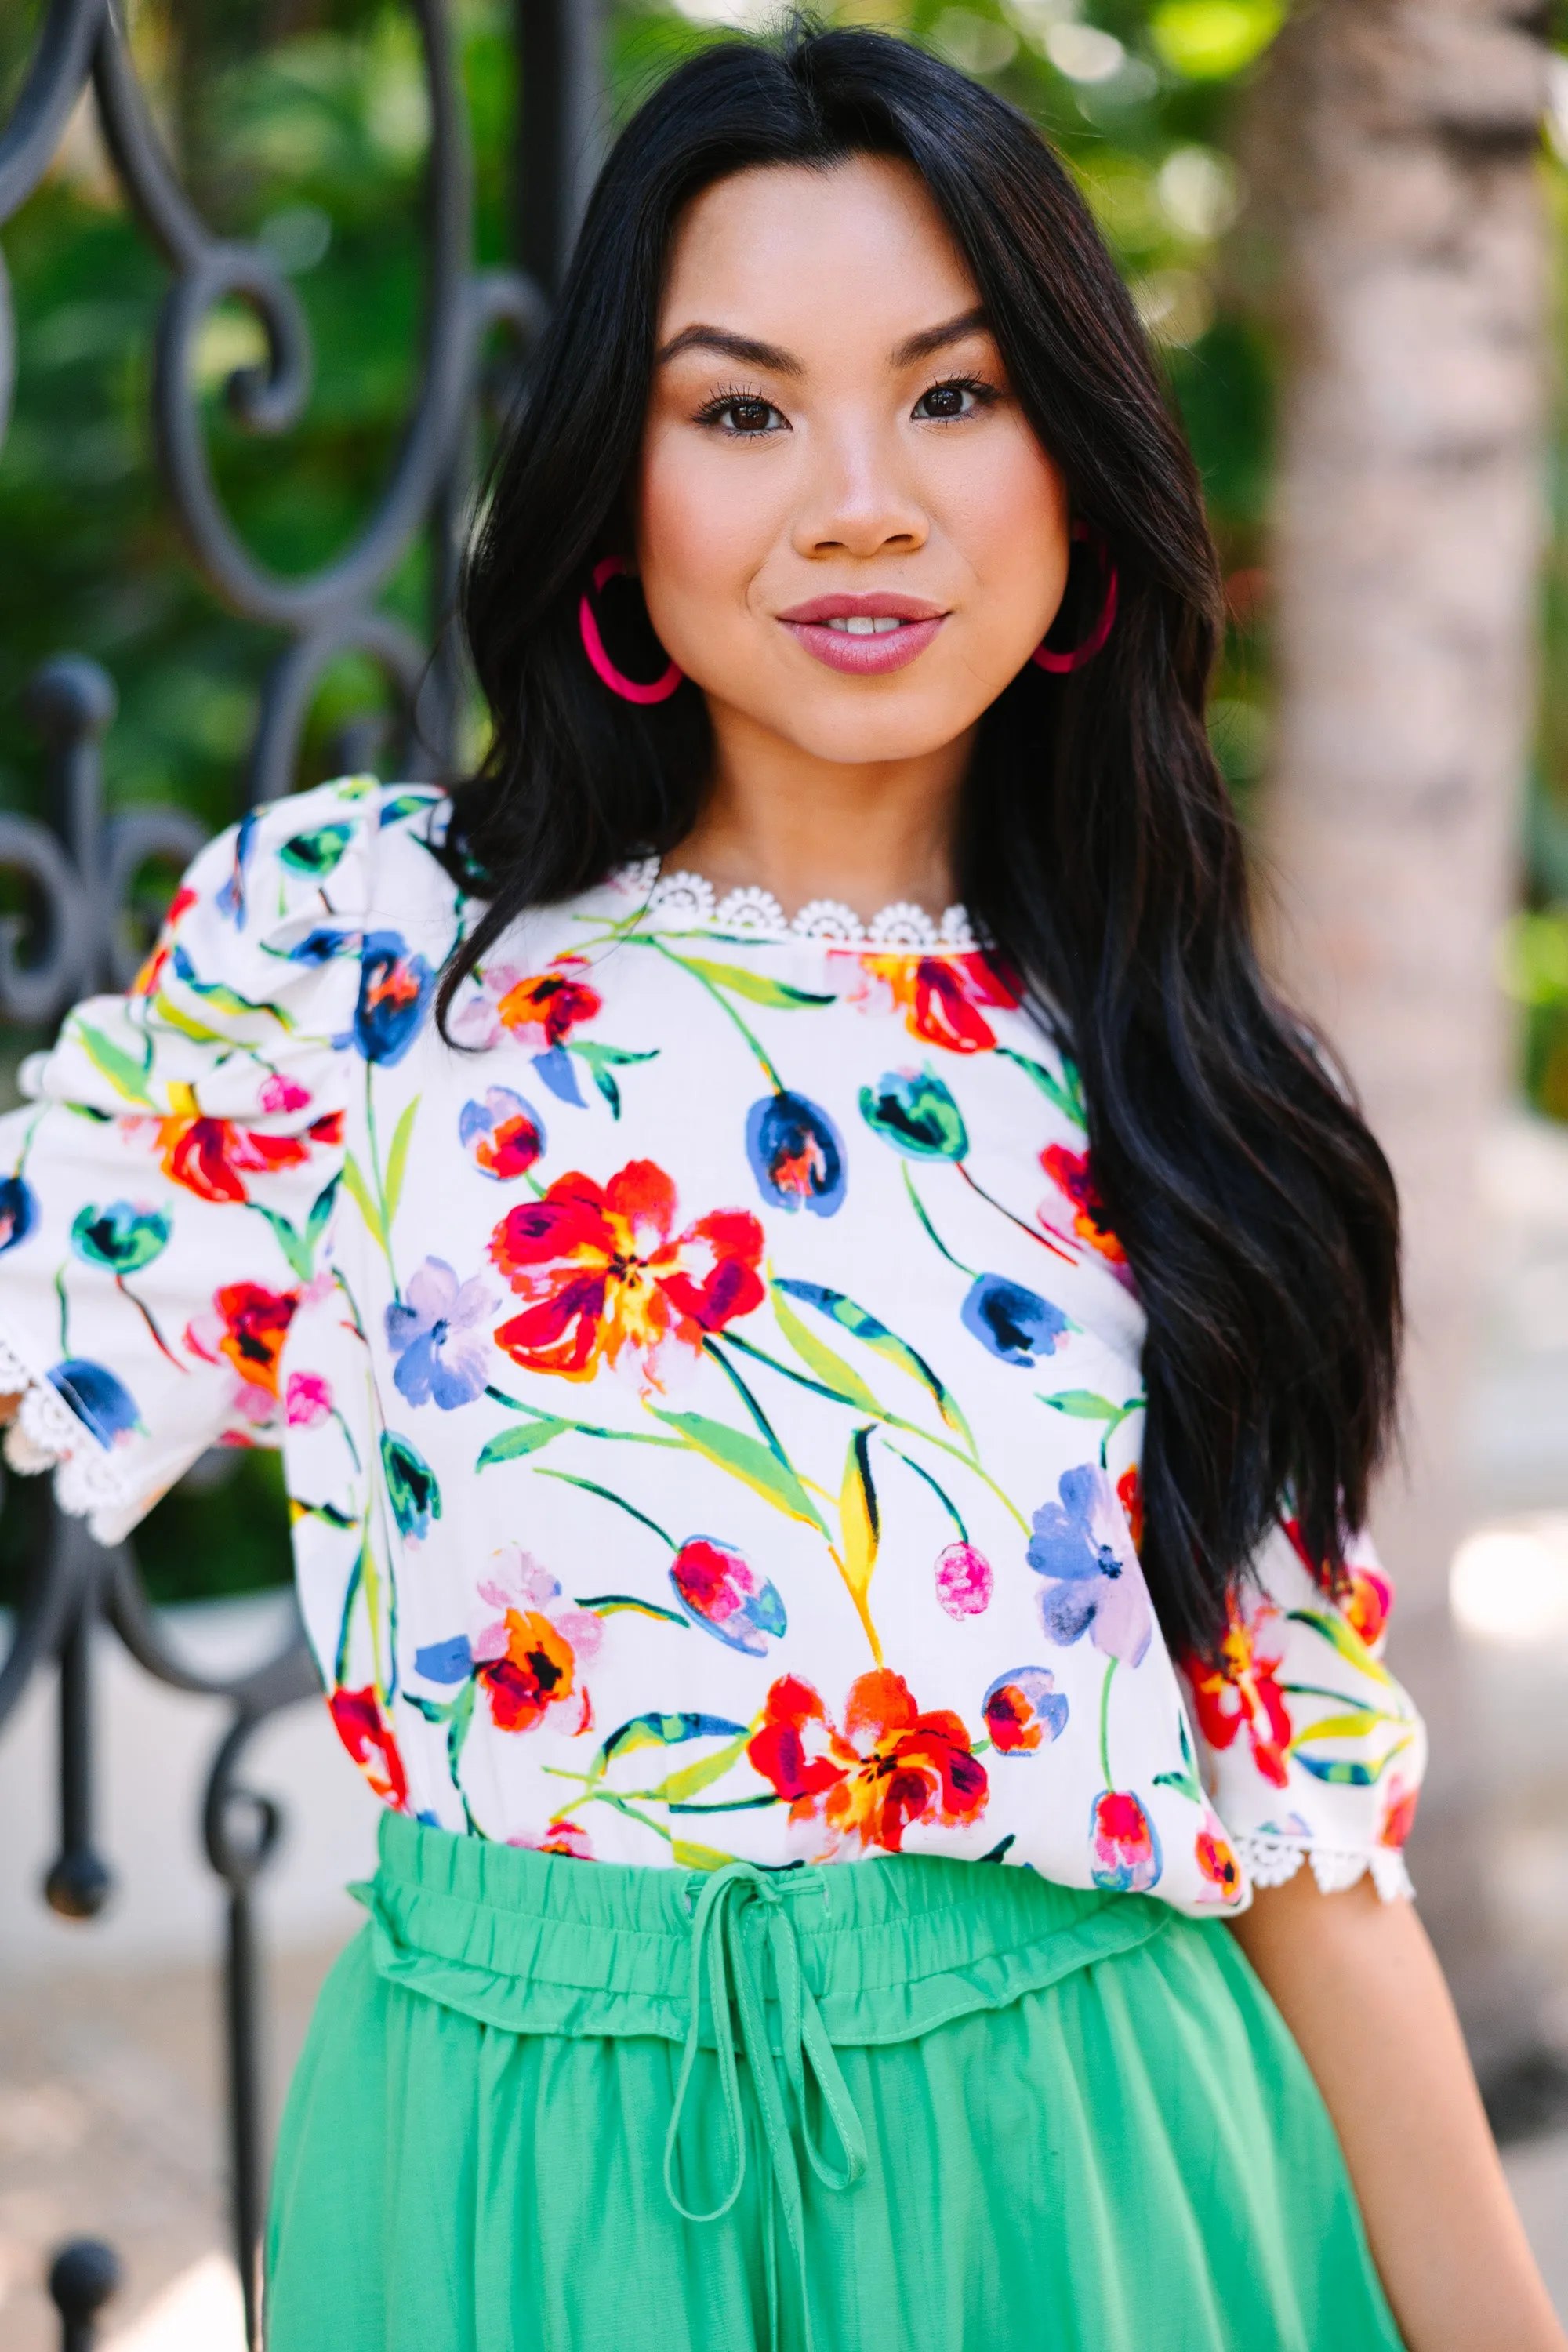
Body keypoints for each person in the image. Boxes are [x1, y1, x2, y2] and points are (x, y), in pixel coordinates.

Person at [0, 24, 1559, 2352]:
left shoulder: (1178, 1083)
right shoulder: (361, 960)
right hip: (502, 2200)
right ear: (618, 489)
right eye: (740, 408)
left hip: (1087, 2190)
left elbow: (1313, 1855)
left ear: (1076, 466)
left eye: (953, 396)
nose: (859, 501)